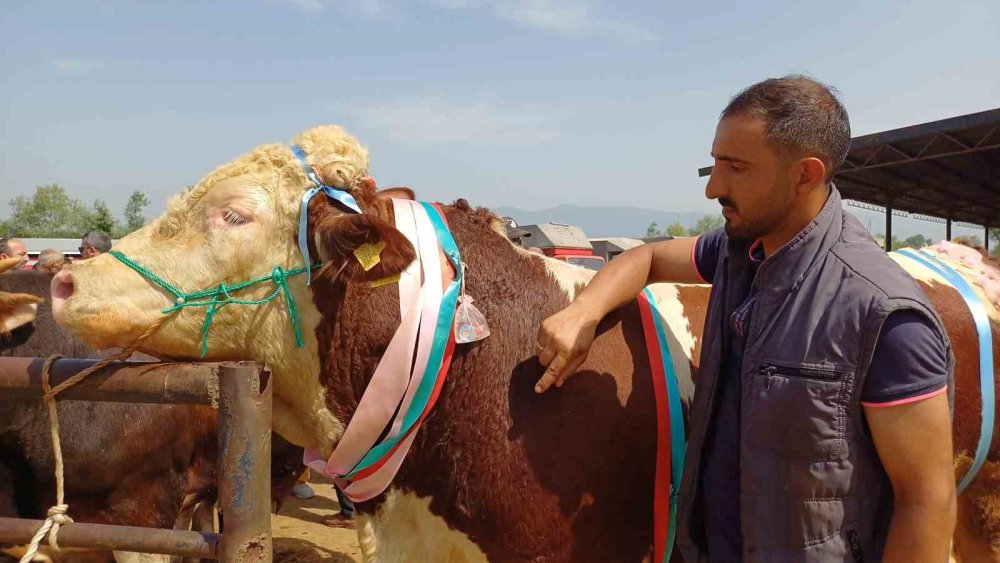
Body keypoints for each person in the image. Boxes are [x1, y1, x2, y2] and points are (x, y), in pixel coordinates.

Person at [535, 76, 956, 561]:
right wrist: (582, 313)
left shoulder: (884, 317)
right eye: (715, 163)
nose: (714, 187)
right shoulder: (739, 252)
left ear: (805, 175)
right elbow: (646, 258)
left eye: (735, 168)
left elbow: (926, 500)